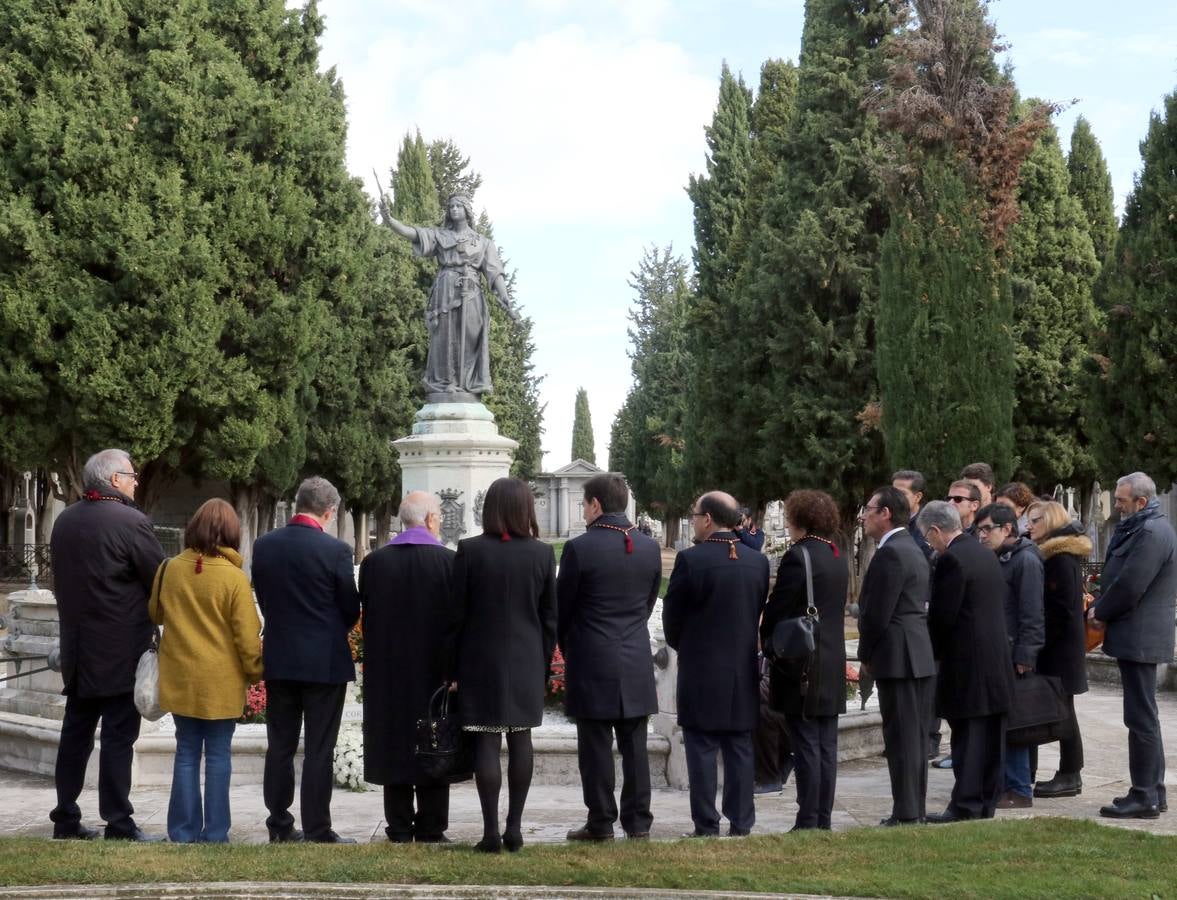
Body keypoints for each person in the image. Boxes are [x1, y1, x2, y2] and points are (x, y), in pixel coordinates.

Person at [48, 449, 165, 841]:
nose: (136, 481)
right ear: (114, 480)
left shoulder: (64, 522)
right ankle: (118, 821)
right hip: (120, 650)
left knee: (75, 735)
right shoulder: (132, 523)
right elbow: (159, 582)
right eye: (132, 476)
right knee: (118, 737)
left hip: (79, 651)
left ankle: (65, 818)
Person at [445, 477, 557, 853]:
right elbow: (549, 618)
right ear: (526, 509)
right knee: (521, 737)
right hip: (526, 657)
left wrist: (453, 668)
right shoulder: (542, 554)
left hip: (481, 657)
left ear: (489, 508)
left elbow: (456, 615)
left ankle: (490, 832)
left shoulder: (470, 550)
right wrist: (542, 664)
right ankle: (515, 828)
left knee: (486, 739)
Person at [252, 476, 361, 844]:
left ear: (297, 503)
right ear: (329, 512)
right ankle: (317, 827)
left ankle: (279, 824)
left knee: (279, 744)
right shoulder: (335, 551)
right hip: (324, 660)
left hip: (281, 656)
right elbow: (350, 607)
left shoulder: (265, 546)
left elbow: (264, 598)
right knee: (319, 747)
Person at [149, 499, 262, 843]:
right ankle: (214, 833)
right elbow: (247, 635)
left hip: (180, 676)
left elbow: (155, 613)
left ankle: (182, 832)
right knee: (217, 755)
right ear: (231, 533)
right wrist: (255, 671)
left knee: (185, 752)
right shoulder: (233, 578)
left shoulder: (169, 568)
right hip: (221, 682)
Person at [557, 473, 662, 842]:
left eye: (584, 504)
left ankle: (601, 821)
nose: (583, 511)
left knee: (596, 746)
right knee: (635, 746)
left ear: (596, 504)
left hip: (591, 656)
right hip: (633, 655)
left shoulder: (580, 548)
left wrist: (570, 647)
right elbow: (648, 603)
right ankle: (638, 822)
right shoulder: (649, 547)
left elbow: (563, 609)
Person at [663, 491, 769, 837]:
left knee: (702, 748)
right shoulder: (757, 561)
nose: (693, 520)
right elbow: (756, 612)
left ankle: (706, 824)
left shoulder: (691, 560)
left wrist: (690, 647)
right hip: (741, 668)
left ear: (707, 518)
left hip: (701, 668)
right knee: (739, 748)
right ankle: (742, 822)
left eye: (694, 515)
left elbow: (672, 620)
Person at [358, 491, 455, 843]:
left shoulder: (375, 563)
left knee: (394, 739)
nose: (440, 521)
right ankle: (432, 826)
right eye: (439, 516)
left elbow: (366, 619)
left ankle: (398, 824)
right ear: (429, 519)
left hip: (388, 670)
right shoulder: (448, 561)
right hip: (433, 669)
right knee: (434, 739)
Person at [919, 500, 1014, 822]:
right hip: (995, 661)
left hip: (968, 665)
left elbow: (944, 617)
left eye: (928, 537)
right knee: (989, 740)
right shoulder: (984, 554)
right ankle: (985, 802)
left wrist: (930, 651)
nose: (929, 544)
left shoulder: (953, 559)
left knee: (969, 740)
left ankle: (966, 805)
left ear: (934, 530)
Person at [1091, 472, 1177, 819]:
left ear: (1141, 502)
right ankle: (1153, 791)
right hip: (1135, 635)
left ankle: (1144, 795)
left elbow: (1131, 585)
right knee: (1143, 716)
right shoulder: (1146, 528)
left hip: (1140, 636)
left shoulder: (1152, 532)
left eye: (1122, 500)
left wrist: (1100, 611)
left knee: (1141, 718)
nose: (1117, 505)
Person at [761, 490, 847, 831]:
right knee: (826, 743)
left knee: (807, 742)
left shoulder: (800, 556)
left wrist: (767, 637)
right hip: (831, 658)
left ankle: (808, 817)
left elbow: (779, 608)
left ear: (799, 519)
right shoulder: (835, 553)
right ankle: (822, 816)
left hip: (804, 663)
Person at [380, 192, 520, 399]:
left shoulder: (483, 243)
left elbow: (494, 271)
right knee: (444, 338)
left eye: (458, 206)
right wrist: (390, 220)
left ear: (467, 210)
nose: (454, 209)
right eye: (451, 206)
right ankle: (446, 384)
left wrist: (505, 296)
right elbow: (413, 234)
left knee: (471, 336)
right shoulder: (440, 235)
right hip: (445, 289)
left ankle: (468, 385)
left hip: (471, 292)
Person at [856, 486, 936, 826]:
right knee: (913, 738)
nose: (863, 515)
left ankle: (906, 812)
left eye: (869, 509)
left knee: (902, 739)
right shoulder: (911, 547)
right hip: (915, 654)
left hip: (898, 656)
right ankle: (912, 807)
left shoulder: (892, 552)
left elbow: (877, 614)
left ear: (886, 513)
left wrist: (864, 655)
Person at [974, 503, 1044, 810]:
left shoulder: (1025, 560)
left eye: (988, 529)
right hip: (1000, 650)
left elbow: (1032, 613)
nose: (982, 536)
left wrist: (1025, 655)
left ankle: (1018, 789)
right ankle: (1006, 784)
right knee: (1004, 720)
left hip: (1015, 652)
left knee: (1015, 723)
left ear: (1007, 529)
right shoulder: (1001, 557)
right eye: (980, 530)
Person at [1026, 500, 1090, 800]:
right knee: (1064, 711)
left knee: (1064, 713)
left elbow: (1061, 610)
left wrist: (1038, 641)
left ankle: (1070, 773)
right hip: (1058, 648)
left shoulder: (1061, 558)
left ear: (1050, 522)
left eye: (1036, 520)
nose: (1030, 526)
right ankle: (1068, 772)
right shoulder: (1053, 556)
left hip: (1060, 650)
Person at [892, 470, 934, 564]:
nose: (895, 498)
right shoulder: (887, 520)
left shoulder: (929, 524)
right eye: (893, 493)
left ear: (918, 497)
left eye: (902, 494)